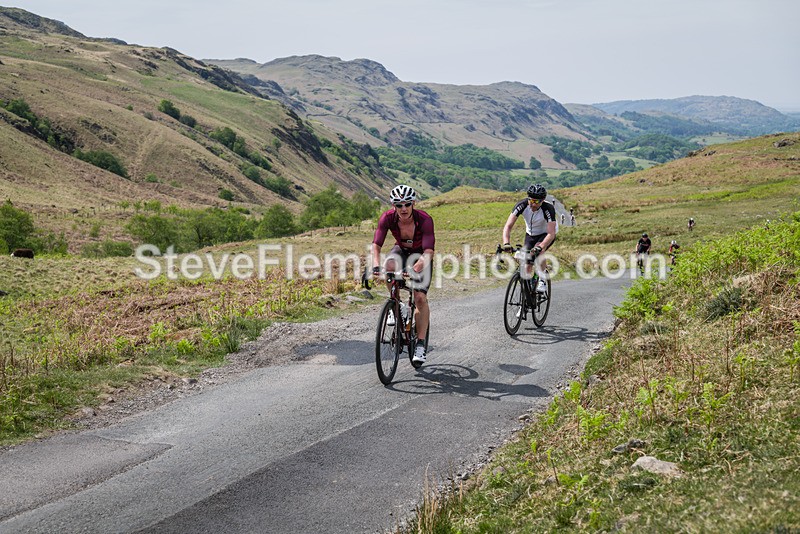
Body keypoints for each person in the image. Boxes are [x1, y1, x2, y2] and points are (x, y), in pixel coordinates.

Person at [371, 185, 435, 365]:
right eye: (399, 205)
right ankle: (396, 305)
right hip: (401, 250)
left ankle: (421, 344)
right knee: (389, 265)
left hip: (422, 255)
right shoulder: (387, 218)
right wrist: (376, 266)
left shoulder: (424, 220)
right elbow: (376, 245)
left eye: (407, 204)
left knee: (420, 297)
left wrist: (416, 267)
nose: (404, 208)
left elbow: (429, 251)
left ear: (413, 203)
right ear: (393, 206)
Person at [501, 183, 557, 295]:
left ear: (543, 200)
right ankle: (526, 299)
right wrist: (506, 243)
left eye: (536, 202)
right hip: (530, 234)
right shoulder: (522, 205)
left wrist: (541, 246)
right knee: (527, 265)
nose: (533, 204)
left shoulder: (548, 208)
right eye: (531, 200)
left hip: (545, 235)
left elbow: (551, 233)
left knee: (539, 251)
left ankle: (542, 279)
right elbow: (508, 226)